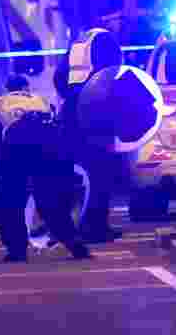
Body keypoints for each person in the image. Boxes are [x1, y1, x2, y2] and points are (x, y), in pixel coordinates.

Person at [0, 75, 91, 262]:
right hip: (49, 146)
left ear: (6, 89)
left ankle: (17, 250)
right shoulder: (41, 101)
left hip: (17, 145)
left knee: (9, 201)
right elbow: (60, 129)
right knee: (50, 200)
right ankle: (75, 243)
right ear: (26, 88)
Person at [57, 27, 123, 244]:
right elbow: (112, 75)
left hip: (71, 111)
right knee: (101, 171)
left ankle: (73, 225)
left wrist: (70, 96)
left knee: (76, 172)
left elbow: (59, 78)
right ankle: (96, 227)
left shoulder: (77, 43)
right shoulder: (106, 40)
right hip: (95, 107)